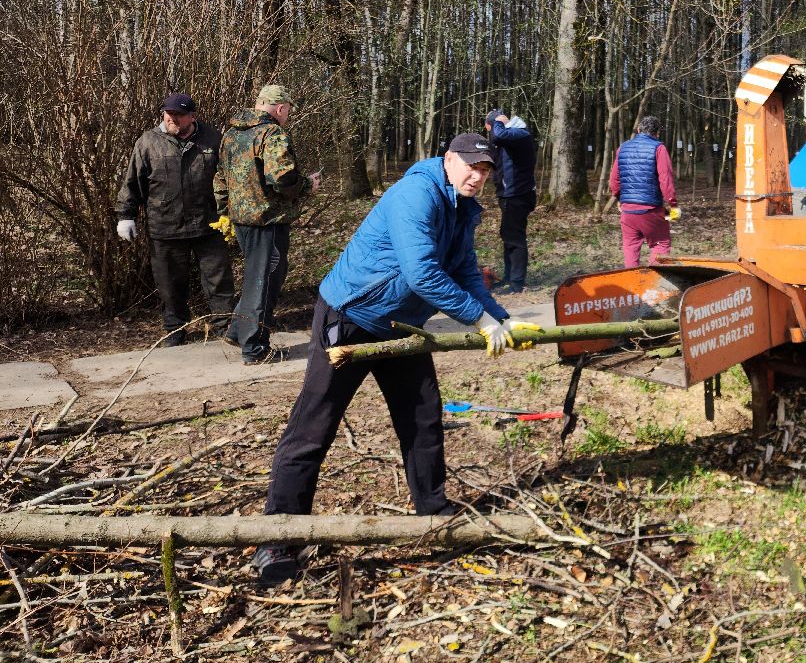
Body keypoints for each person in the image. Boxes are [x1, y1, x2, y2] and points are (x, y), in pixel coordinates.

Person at [252, 136, 528, 585]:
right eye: (471, 166)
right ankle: (277, 540)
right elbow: (422, 273)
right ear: (449, 160)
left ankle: (434, 517)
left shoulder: (463, 207)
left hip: (402, 327)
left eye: (486, 170)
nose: (478, 177)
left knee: (422, 419)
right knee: (313, 428)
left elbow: (463, 270)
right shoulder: (415, 194)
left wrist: (502, 318)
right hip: (350, 317)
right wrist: (479, 320)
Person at [115, 93, 235, 347]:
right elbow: (133, 182)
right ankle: (175, 329)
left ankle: (224, 326)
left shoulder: (212, 138)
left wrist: (232, 212)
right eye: (168, 114)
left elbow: (229, 178)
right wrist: (126, 215)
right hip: (165, 225)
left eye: (179, 115)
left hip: (209, 223)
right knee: (169, 284)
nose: (173, 119)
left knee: (219, 280)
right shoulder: (148, 142)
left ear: (193, 116)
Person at [215, 84, 320, 365]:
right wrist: (308, 184)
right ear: (281, 108)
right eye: (288, 111)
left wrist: (225, 211)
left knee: (254, 277)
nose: (287, 116)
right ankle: (255, 348)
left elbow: (221, 178)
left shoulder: (232, 133)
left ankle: (238, 331)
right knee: (265, 282)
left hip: (242, 220)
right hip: (267, 221)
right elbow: (282, 178)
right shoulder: (272, 133)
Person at [608, 116, 680, 268]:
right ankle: (655, 283)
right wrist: (673, 204)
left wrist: (620, 198)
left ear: (639, 130)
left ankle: (632, 285)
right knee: (661, 244)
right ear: (657, 133)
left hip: (627, 211)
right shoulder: (659, 148)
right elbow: (665, 180)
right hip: (651, 210)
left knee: (630, 247)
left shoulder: (622, 148)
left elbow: (614, 180)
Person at [485, 109, 538, 293]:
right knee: (508, 234)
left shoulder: (519, 133)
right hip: (509, 195)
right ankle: (509, 277)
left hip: (518, 195)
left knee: (514, 237)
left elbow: (498, 136)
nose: (491, 135)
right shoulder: (509, 138)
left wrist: (498, 122)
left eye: (490, 129)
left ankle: (516, 282)